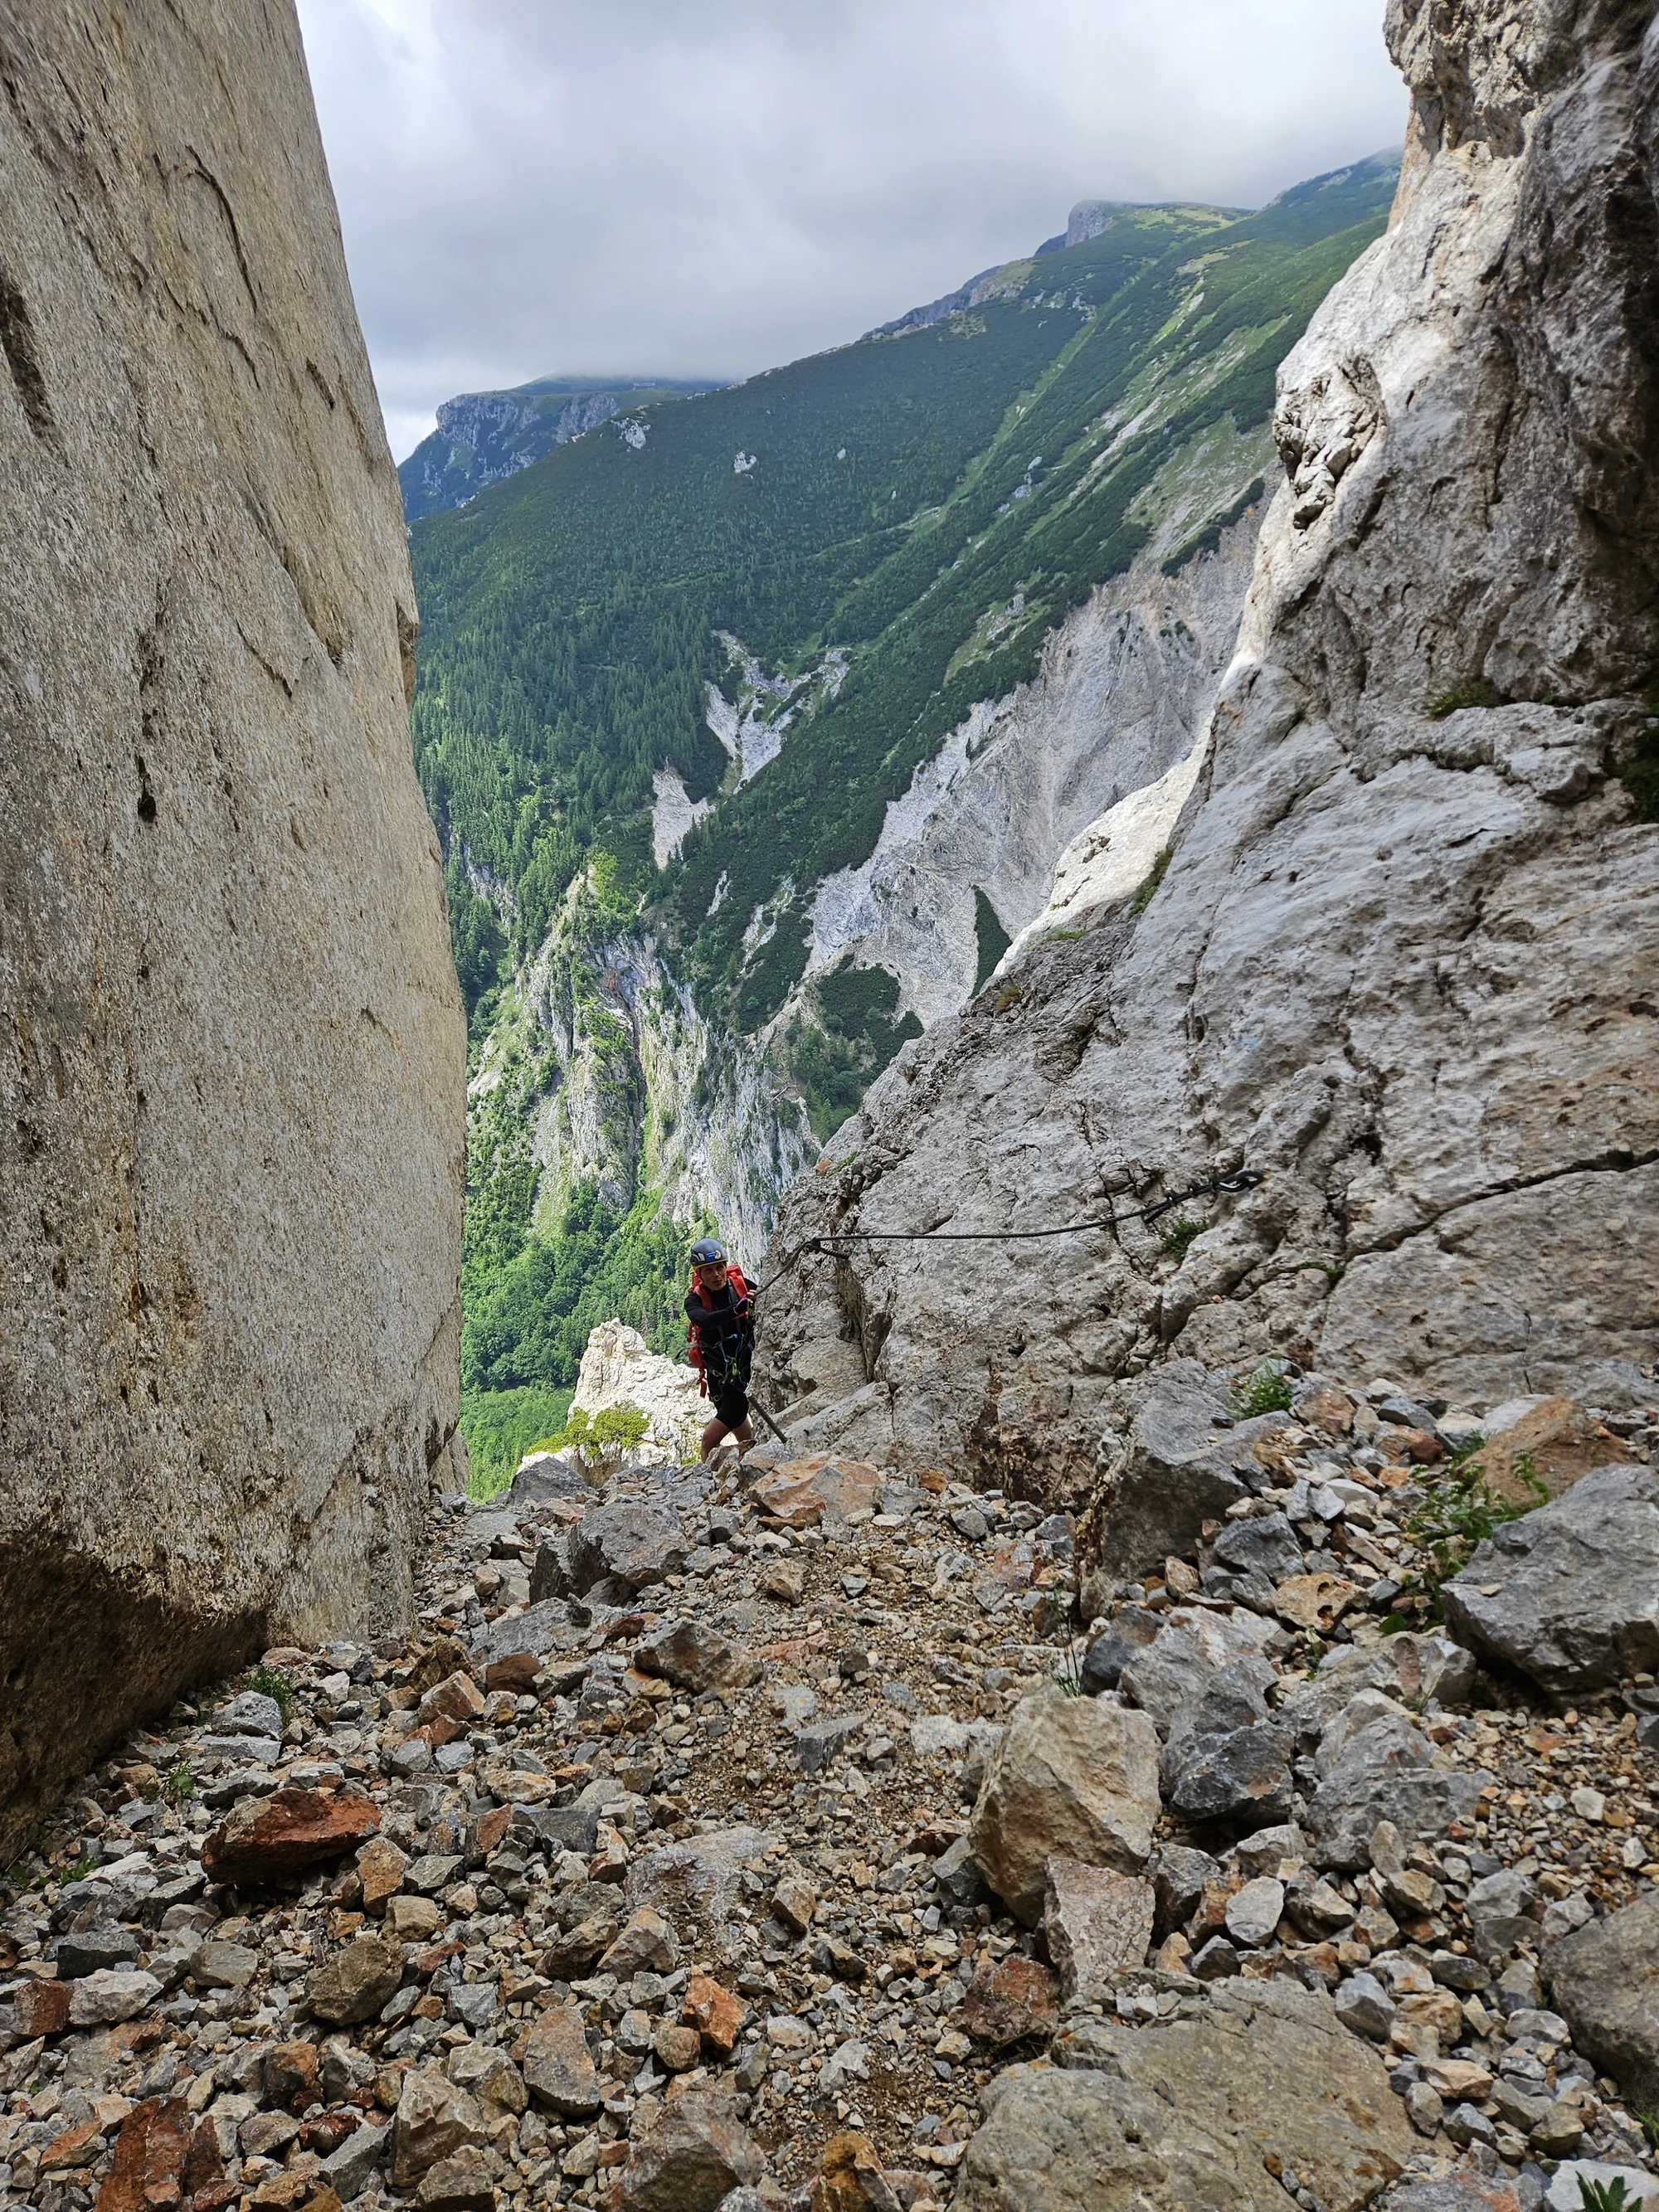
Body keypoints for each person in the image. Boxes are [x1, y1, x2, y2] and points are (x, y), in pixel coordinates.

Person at [684, 1236, 755, 1461]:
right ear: (700, 1275)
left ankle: (703, 1481)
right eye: (709, 1270)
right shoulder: (694, 1300)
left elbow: (766, 1295)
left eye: (719, 1267)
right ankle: (751, 1463)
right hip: (718, 1380)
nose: (716, 1274)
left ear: (726, 1267)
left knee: (709, 1439)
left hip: (741, 1376)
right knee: (742, 1432)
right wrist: (736, 1310)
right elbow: (704, 1320)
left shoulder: (740, 1285)